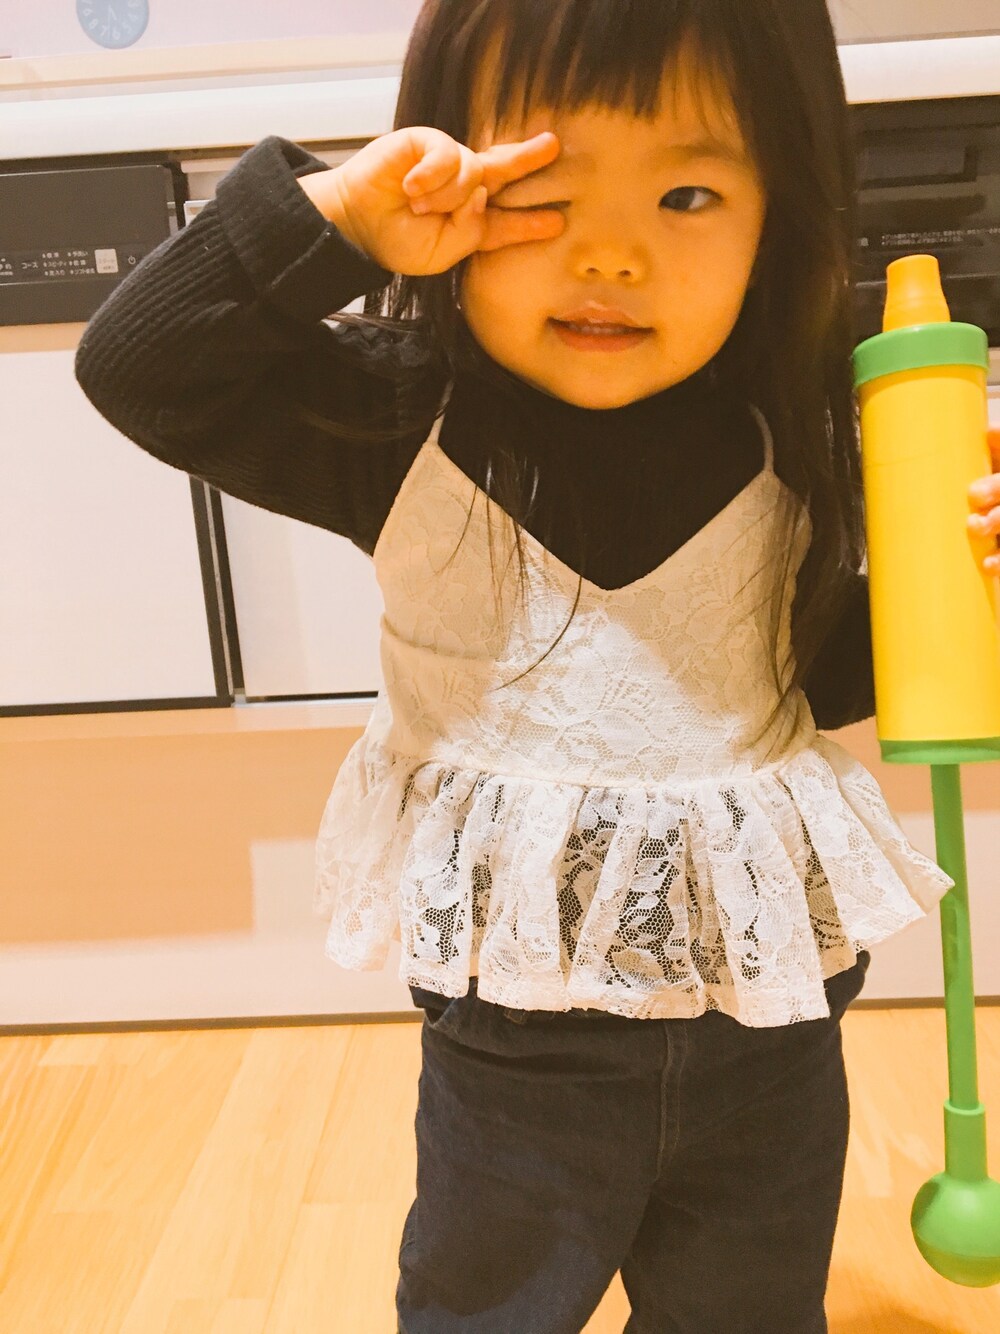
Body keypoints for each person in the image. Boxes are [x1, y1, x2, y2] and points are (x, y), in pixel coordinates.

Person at [74, 3, 999, 1329]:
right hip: (516, 1056)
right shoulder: (402, 415)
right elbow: (141, 363)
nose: (611, 252)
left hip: (768, 1042)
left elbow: (812, 668)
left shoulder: (790, 427)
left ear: (777, 215)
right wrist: (340, 219)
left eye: (688, 195)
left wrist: (969, 591)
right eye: (543, 193)